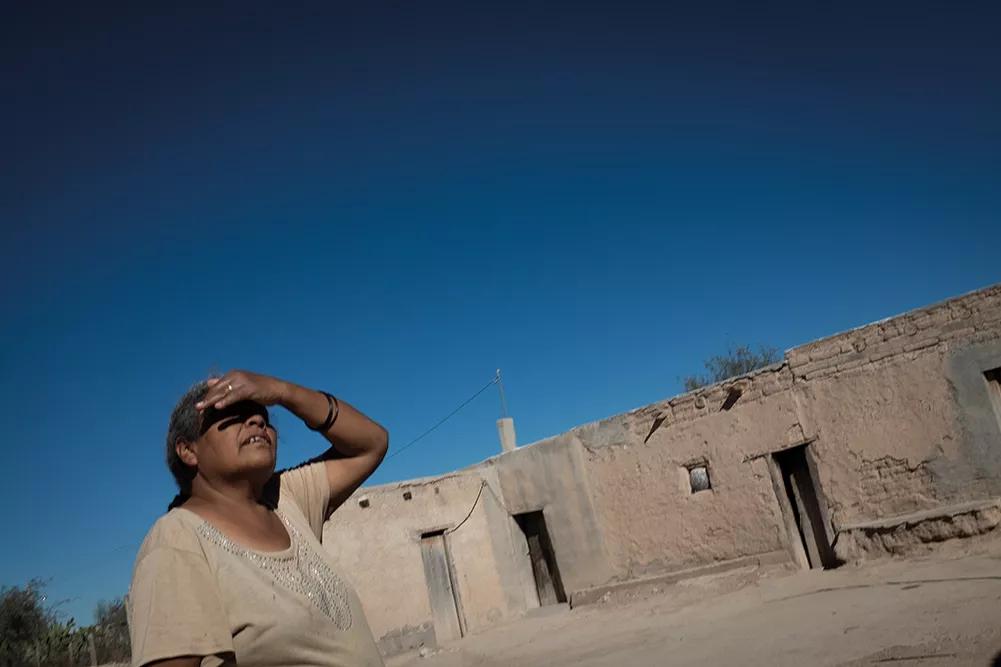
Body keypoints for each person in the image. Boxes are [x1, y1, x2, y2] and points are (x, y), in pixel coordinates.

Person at [127, 370, 389, 667]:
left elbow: (372, 443)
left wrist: (281, 391)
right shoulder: (176, 539)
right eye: (233, 414)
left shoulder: (287, 499)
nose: (258, 421)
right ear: (189, 450)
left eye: (263, 415)